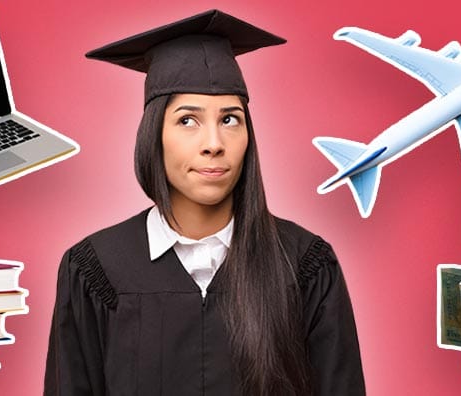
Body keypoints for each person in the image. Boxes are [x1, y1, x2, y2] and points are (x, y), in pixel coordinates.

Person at [44, 10, 365, 396]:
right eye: (187, 121)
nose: (214, 143)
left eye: (230, 119)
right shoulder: (95, 270)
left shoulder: (304, 266)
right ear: (154, 136)